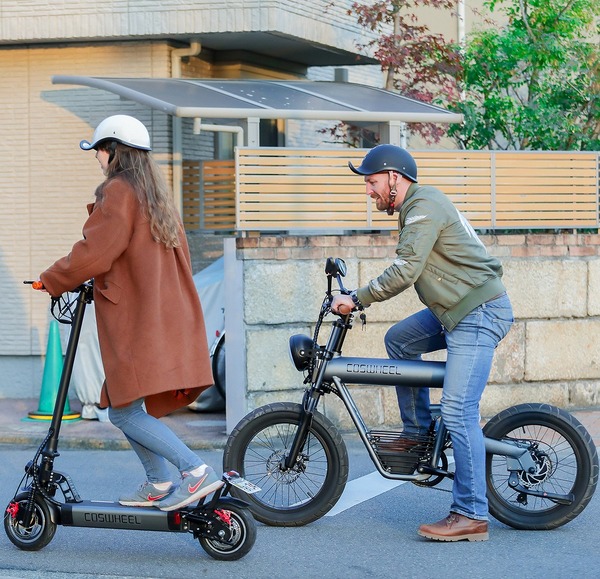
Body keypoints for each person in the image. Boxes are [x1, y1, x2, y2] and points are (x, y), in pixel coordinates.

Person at [40, 114, 223, 511]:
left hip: (136, 320)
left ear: (112, 150)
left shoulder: (118, 190)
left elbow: (97, 250)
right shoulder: (154, 194)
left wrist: (51, 278)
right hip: (163, 314)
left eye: (99, 151)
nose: (97, 159)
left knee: (123, 411)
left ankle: (194, 472)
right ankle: (158, 482)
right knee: (126, 405)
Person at [331, 144, 514, 542]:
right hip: (456, 310)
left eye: (372, 182)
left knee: (459, 408)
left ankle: (471, 514)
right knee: (400, 340)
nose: (369, 191)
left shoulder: (423, 205)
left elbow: (405, 269)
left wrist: (357, 298)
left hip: (478, 312)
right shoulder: (415, 207)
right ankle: (418, 433)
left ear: (395, 177)